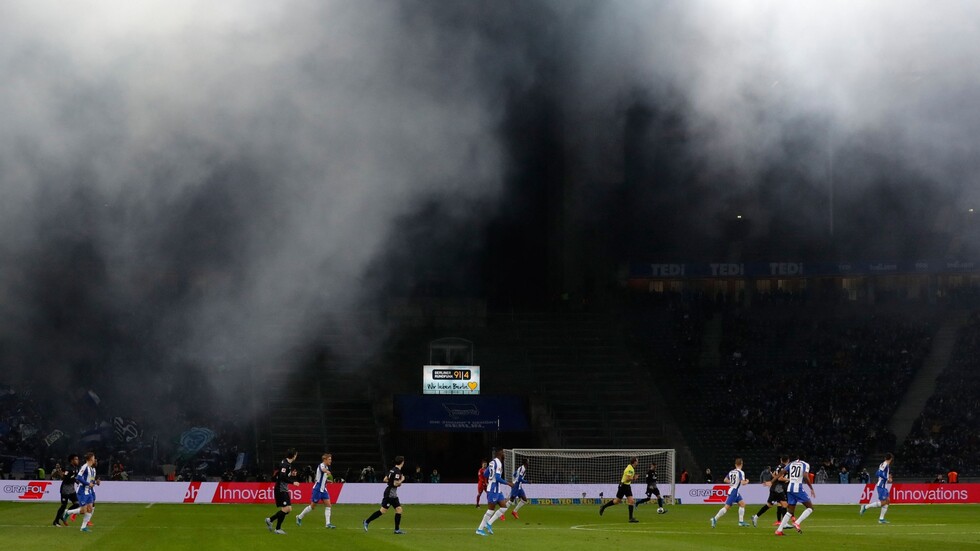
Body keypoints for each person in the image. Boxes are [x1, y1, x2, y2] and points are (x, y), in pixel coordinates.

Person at [363, 455, 406, 534]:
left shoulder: (392, 470)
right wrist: (402, 480)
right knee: (382, 511)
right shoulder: (397, 472)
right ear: (402, 462)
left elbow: (385, 479)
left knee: (399, 509)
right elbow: (396, 483)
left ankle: (397, 530)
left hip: (392, 494)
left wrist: (393, 483)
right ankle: (366, 521)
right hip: (390, 494)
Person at [775, 453, 815, 536]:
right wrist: (811, 488)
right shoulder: (805, 464)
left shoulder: (791, 463)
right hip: (797, 488)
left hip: (790, 488)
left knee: (790, 511)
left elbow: (782, 472)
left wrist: (772, 481)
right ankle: (797, 522)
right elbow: (805, 476)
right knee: (810, 507)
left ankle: (779, 530)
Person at [475, 449, 513, 535]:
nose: (505, 455)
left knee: (504, 507)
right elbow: (498, 478)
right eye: (503, 453)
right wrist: (509, 483)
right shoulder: (498, 463)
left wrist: (491, 478)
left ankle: (489, 524)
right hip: (493, 490)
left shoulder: (492, 462)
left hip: (498, 490)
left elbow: (485, 474)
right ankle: (479, 529)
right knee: (490, 511)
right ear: (500, 454)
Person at [264, 448, 300, 535]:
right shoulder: (285, 464)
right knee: (286, 508)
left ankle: (270, 520)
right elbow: (282, 477)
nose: (296, 456)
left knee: (288, 509)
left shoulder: (286, 463)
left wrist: (291, 474)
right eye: (296, 454)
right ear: (294, 455)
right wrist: (293, 482)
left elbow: (283, 474)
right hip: (280, 489)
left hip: (284, 489)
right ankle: (277, 528)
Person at [295, 453, 335, 528]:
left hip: (324, 489)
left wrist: (328, 481)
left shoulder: (326, 467)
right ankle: (299, 517)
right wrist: (326, 471)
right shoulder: (322, 465)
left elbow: (323, 478)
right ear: (325, 459)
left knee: (329, 505)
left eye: (331, 459)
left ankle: (328, 524)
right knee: (312, 506)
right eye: (329, 459)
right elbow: (322, 470)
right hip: (317, 489)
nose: (330, 461)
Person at [752, 456, 790, 528]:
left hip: (774, 487)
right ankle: (784, 523)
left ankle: (756, 517)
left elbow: (773, 475)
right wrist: (789, 479)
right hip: (778, 488)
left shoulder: (778, 467)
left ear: (781, 460)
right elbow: (780, 478)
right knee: (784, 504)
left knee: (769, 505)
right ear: (788, 460)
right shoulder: (784, 468)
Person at [598, 456, 639, 523]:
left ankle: (631, 518)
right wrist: (634, 478)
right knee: (617, 501)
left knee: (631, 501)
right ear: (634, 462)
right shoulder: (630, 469)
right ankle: (603, 506)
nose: (638, 462)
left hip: (627, 486)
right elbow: (627, 479)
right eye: (637, 461)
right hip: (623, 486)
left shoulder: (630, 467)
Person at [711, 458, 749, 528]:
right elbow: (743, 483)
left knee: (742, 504)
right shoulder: (741, 472)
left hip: (733, 490)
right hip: (734, 491)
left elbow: (725, 480)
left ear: (735, 464)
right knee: (726, 507)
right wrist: (747, 481)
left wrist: (732, 482)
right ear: (741, 464)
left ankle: (741, 522)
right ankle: (714, 519)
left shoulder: (731, 472)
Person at [860, 452, 893, 524]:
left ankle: (881, 519)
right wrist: (887, 478)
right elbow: (878, 473)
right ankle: (866, 506)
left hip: (884, 486)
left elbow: (879, 473)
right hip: (881, 486)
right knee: (884, 502)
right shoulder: (885, 464)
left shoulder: (884, 464)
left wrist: (888, 477)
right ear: (890, 459)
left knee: (888, 500)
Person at [73, 452, 99, 533]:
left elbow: (91, 480)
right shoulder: (84, 467)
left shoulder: (91, 468)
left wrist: (95, 482)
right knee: (83, 511)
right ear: (91, 458)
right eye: (94, 457)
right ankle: (68, 512)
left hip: (89, 491)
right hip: (82, 490)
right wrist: (88, 484)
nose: (94, 459)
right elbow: (78, 477)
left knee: (90, 509)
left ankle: (83, 527)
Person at [54, 454, 80, 527]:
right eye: (76, 459)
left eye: (77, 459)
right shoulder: (68, 468)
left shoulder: (76, 468)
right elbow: (65, 478)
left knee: (77, 504)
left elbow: (74, 477)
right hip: (65, 489)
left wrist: (77, 481)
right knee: (63, 505)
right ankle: (56, 521)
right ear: (72, 460)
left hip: (71, 489)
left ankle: (66, 513)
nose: (77, 461)